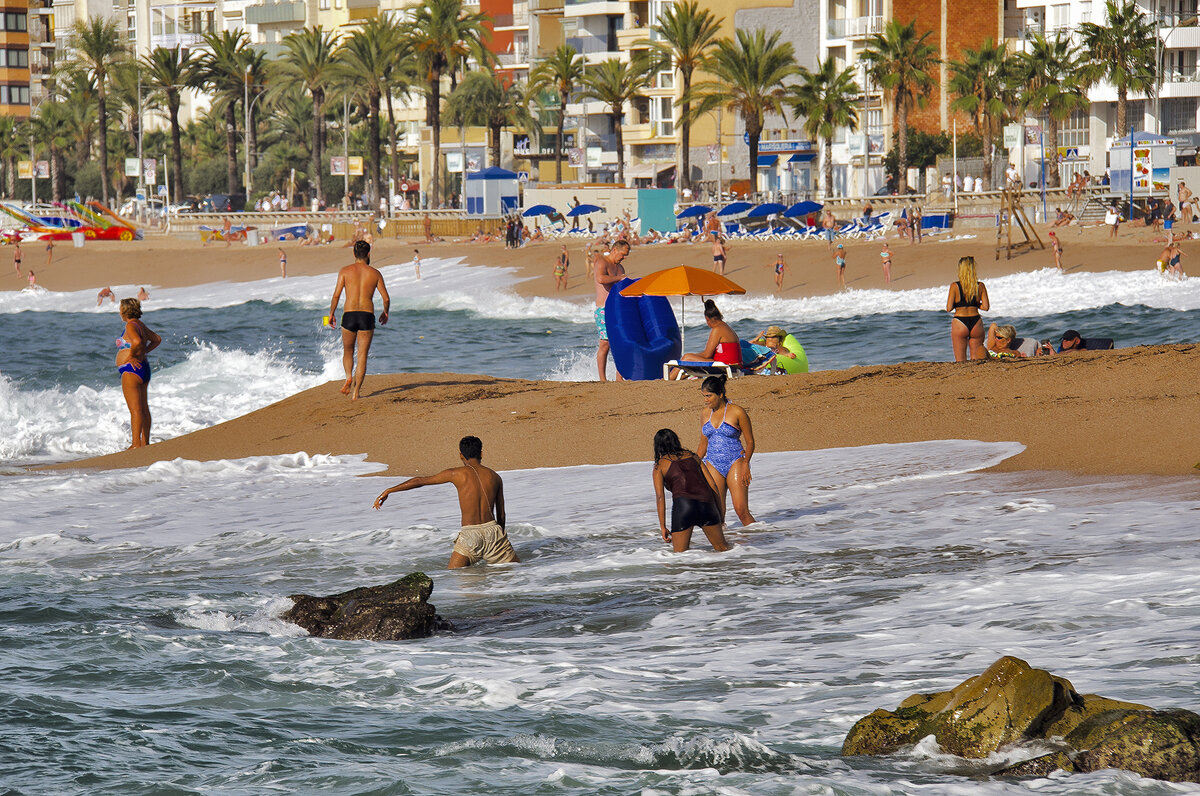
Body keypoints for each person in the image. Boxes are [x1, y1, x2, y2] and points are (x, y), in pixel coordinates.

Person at [373, 436, 519, 569]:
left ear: (461, 455)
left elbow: (419, 481)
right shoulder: (495, 476)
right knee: (515, 575)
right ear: (481, 453)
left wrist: (389, 490)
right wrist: (499, 538)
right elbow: (501, 514)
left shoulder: (456, 474)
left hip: (470, 534)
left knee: (454, 578)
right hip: (493, 531)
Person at [328, 240, 390, 400]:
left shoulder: (345, 271)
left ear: (354, 254)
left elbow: (336, 295)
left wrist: (331, 314)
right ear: (368, 254)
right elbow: (386, 298)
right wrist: (385, 312)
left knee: (348, 351)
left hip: (349, 315)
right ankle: (356, 393)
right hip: (366, 316)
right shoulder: (375, 273)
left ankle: (348, 376)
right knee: (362, 355)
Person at [651, 428, 731, 553]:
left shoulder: (660, 466)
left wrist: (662, 527)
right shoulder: (694, 457)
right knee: (724, 549)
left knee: (680, 557)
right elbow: (713, 485)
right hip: (706, 505)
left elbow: (660, 497)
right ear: (676, 441)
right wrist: (720, 513)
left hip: (684, 508)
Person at [696, 374, 755, 526]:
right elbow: (703, 443)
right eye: (704, 396)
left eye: (709, 396)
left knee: (741, 511)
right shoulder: (704, 413)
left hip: (735, 460)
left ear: (720, 394)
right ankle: (726, 548)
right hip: (713, 463)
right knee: (718, 514)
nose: (705, 400)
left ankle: (763, 542)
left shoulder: (737, 412)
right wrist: (694, 465)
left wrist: (745, 464)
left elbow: (750, 442)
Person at [115, 297, 161, 448]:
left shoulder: (130, 326)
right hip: (143, 368)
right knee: (143, 408)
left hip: (131, 371)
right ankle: (144, 442)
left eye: (120, 308)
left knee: (135, 410)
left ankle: (135, 445)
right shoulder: (140, 324)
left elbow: (135, 342)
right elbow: (157, 339)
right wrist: (144, 352)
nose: (119, 311)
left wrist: (132, 356)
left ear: (124, 311)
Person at [672, 299, 740, 378]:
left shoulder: (717, 329)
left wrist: (692, 356)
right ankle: (671, 379)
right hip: (733, 365)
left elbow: (707, 355)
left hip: (724, 366)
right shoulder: (726, 327)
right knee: (688, 359)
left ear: (707, 319)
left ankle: (666, 380)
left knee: (687, 357)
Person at [594, 239, 630, 381]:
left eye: (626, 255)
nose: (624, 258)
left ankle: (619, 377)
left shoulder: (620, 268)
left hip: (618, 308)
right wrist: (619, 278)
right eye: (622, 254)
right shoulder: (602, 262)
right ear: (614, 250)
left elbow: (623, 285)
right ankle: (602, 379)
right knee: (605, 343)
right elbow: (601, 278)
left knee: (621, 341)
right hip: (603, 308)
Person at [946, 255, 990, 361]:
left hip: (960, 322)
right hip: (976, 322)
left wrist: (962, 303)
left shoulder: (954, 286)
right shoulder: (980, 286)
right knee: (976, 360)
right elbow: (985, 307)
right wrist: (973, 303)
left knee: (960, 361)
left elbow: (949, 308)